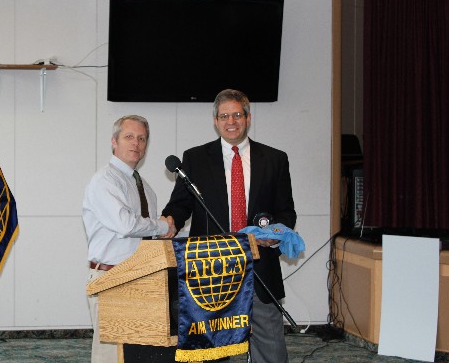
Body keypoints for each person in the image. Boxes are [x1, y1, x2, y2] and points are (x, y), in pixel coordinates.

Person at [162, 89, 296, 363]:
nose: (231, 121)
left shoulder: (274, 159)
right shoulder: (195, 159)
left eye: (237, 114)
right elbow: (180, 205)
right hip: (213, 272)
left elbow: (286, 212)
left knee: (270, 349)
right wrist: (170, 222)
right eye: (224, 116)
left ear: (248, 118)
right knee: (216, 352)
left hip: (259, 269)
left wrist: (274, 236)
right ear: (215, 121)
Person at [83, 115, 177, 363]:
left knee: (140, 355)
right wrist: (161, 225)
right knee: (111, 358)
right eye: (129, 137)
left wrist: (164, 231)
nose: (136, 143)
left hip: (144, 281)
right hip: (111, 280)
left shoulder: (146, 188)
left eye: (142, 138)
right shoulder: (104, 181)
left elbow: (148, 236)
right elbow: (124, 224)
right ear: (114, 142)